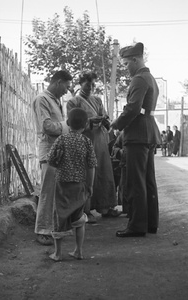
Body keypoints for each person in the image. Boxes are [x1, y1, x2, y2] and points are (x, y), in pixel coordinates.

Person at [111, 42, 161, 237]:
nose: (126, 68)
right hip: (147, 132)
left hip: (137, 135)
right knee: (148, 180)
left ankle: (137, 226)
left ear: (134, 60)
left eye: (126, 64)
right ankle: (150, 222)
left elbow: (132, 108)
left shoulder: (139, 79)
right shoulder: (150, 78)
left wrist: (116, 124)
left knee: (135, 181)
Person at [66, 72, 121, 222]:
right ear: (80, 84)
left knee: (104, 172)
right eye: (87, 85)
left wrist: (105, 121)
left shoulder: (97, 100)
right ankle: (85, 211)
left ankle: (106, 207)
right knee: (87, 175)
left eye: (92, 85)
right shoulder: (73, 102)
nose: (90, 87)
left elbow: (105, 117)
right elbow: (72, 122)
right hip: (84, 141)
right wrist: (90, 121)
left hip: (100, 141)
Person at [47, 108, 97, 261]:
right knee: (79, 218)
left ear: (68, 123)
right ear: (86, 124)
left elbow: (51, 161)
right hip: (79, 185)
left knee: (59, 217)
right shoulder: (87, 142)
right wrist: (90, 186)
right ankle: (79, 251)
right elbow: (91, 166)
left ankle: (57, 253)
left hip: (62, 185)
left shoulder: (61, 140)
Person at [32, 70, 72, 245]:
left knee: (56, 192)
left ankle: (53, 227)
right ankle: (42, 230)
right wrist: (67, 125)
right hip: (49, 151)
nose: (66, 91)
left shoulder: (55, 100)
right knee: (47, 192)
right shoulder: (42, 99)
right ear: (58, 82)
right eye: (66, 86)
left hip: (58, 150)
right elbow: (47, 126)